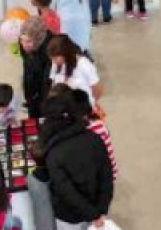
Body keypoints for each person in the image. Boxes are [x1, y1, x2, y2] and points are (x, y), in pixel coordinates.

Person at [36, 93, 114, 229]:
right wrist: (100, 211)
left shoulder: (53, 153)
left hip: (69, 217)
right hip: (97, 211)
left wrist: (93, 214)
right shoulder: (94, 138)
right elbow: (107, 175)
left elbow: (67, 192)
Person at [48, 35, 103, 105]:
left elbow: (98, 90)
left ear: (65, 53)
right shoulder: (56, 63)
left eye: (55, 58)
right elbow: (53, 84)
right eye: (52, 58)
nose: (53, 61)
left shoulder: (84, 64)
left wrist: (89, 105)